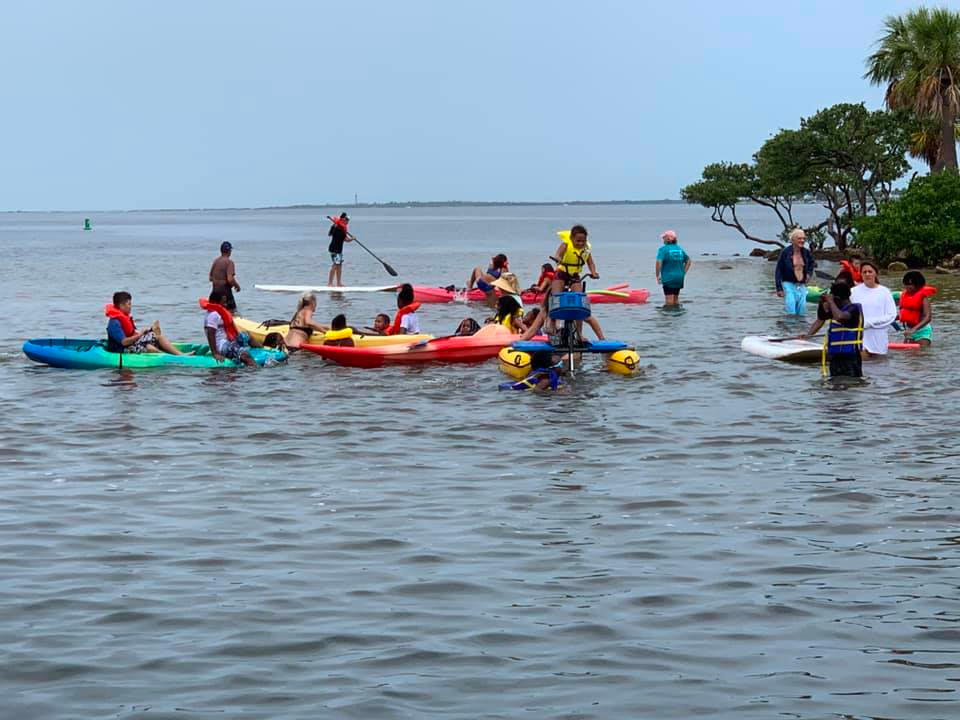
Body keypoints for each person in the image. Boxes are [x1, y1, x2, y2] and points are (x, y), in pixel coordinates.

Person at [803, 282, 863, 378]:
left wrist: (831, 302)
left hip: (850, 357)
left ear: (837, 299)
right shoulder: (836, 310)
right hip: (835, 357)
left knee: (849, 383)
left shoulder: (854, 308)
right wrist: (822, 304)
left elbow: (840, 317)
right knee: (835, 385)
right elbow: (821, 319)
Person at [105, 291, 188, 355]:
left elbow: (133, 333)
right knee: (149, 348)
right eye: (129, 304)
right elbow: (124, 342)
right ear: (121, 305)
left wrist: (149, 330)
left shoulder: (126, 318)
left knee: (159, 337)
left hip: (132, 344)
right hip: (121, 349)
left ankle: (180, 355)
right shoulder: (114, 323)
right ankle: (170, 358)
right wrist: (140, 335)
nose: (131, 306)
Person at [850, 261, 897, 357]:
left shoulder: (885, 292)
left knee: (879, 367)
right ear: (861, 274)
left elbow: (891, 315)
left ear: (875, 273)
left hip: (879, 336)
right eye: (864, 272)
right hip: (860, 336)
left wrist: (869, 322)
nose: (867, 274)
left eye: (870, 272)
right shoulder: (853, 292)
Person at [203, 289, 257, 367]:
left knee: (246, 335)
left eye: (226, 302)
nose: (226, 304)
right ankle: (257, 373)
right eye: (223, 302)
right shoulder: (213, 315)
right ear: (215, 303)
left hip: (229, 340)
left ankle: (263, 351)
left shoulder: (220, 312)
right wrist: (215, 353)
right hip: (222, 346)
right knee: (245, 355)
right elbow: (210, 333)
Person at [775, 228, 815, 315]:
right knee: (791, 308)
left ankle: (800, 328)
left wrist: (809, 274)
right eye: (799, 238)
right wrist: (779, 288)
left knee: (802, 311)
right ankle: (790, 326)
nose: (802, 240)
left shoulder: (806, 252)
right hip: (788, 284)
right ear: (793, 240)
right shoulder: (785, 252)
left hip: (801, 285)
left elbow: (812, 264)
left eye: (804, 238)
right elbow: (778, 270)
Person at [551, 225, 598, 296]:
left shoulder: (586, 249)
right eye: (578, 241)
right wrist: (559, 259)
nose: (581, 243)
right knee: (556, 295)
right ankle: (544, 306)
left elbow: (590, 263)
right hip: (561, 274)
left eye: (583, 241)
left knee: (579, 295)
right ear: (571, 238)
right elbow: (558, 255)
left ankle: (578, 306)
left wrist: (593, 272)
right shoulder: (565, 245)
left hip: (574, 276)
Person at [655, 230, 692, 305]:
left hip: (668, 277)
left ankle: (668, 315)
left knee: (669, 301)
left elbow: (659, 262)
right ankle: (676, 315)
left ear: (668, 239)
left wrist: (657, 275)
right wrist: (683, 272)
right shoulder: (679, 249)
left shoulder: (663, 249)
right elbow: (688, 260)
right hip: (679, 277)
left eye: (664, 238)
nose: (663, 240)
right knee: (675, 299)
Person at [899, 270, 936, 346]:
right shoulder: (904, 297)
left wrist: (914, 329)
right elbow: (902, 313)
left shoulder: (923, 298)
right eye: (906, 284)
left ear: (918, 285)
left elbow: (928, 317)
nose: (907, 286)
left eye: (910, 284)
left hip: (922, 331)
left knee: (922, 355)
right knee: (907, 355)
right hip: (909, 330)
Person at [209, 241, 241, 312]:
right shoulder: (229, 262)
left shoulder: (216, 261)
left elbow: (210, 278)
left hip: (214, 293)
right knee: (233, 314)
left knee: (215, 313)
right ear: (229, 251)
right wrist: (237, 286)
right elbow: (230, 279)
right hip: (225, 294)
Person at [327, 212, 355, 287]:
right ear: (343, 219)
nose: (348, 222)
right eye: (346, 220)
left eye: (348, 220)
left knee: (339, 266)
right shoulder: (338, 228)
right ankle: (329, 283)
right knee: (335, 265)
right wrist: (352, 238)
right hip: (334, 249)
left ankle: (339, 283)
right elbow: (346, 239)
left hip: (338, 250)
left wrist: (337, 226)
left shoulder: (341, 228)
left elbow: (330, 234)